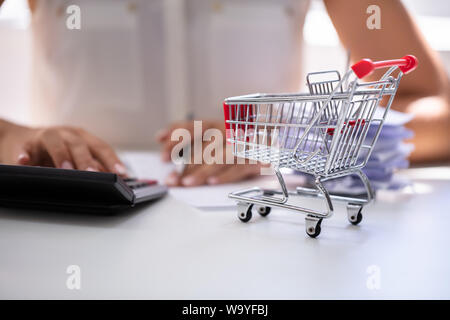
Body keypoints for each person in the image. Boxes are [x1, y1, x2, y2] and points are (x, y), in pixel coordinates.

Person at [0, 0, 448, 186]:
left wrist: (292, 138)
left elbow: (437, 111)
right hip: (73, 233)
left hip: (262, 243)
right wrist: (22, 144)